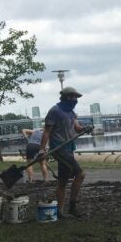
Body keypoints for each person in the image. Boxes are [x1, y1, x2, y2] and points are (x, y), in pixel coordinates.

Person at [38, 87, 92, 218]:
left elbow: (77, 128)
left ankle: (59, 211)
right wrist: (42, 149)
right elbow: (47, 131)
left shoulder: (71, 113)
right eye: (74, 97)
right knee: (80, 174)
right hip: (59, 149)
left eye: (76, 98)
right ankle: (72, 207)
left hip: (69, 148)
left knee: (62, 181)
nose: (75, 100)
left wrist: (85, 128)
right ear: (67, 97)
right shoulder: (54, 111)